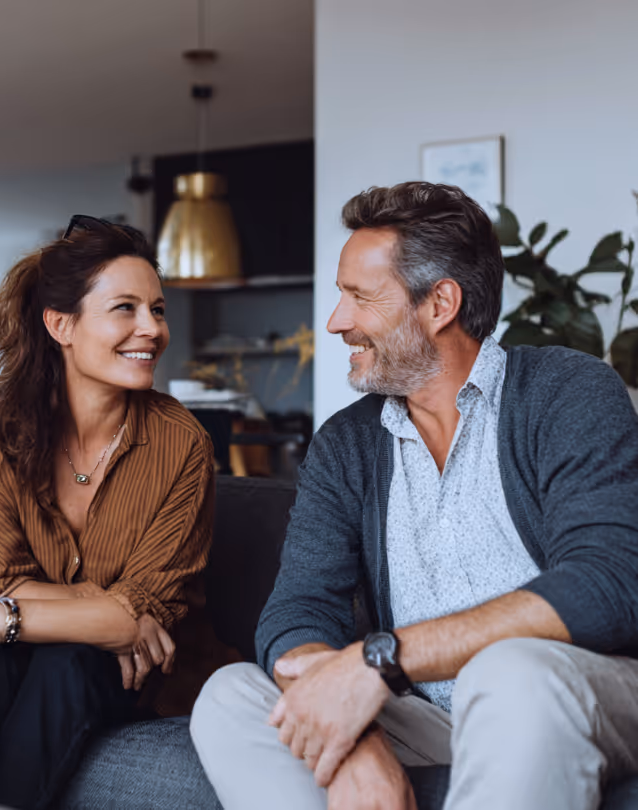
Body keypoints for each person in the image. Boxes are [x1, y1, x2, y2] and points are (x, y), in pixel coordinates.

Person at [190, 182, 638, 810]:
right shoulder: (346, 444)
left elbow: (607, 584)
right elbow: (297, 611)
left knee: (510, 672)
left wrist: (380, 662)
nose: (335, 321)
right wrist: (353, 739)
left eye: (360, 298)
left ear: (441, 304)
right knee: (233, 694)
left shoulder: (566, 391)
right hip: (429, 715)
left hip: (577, 687)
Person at [0, 215, 215, 809]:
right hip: (33, 651)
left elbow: (142, 616)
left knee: (56, 661)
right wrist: (100, 609)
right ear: (61, 325)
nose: (152, 329)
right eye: (126, 309)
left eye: (158, 310)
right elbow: (14, 584)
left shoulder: (181, 441)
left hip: (134, 673)